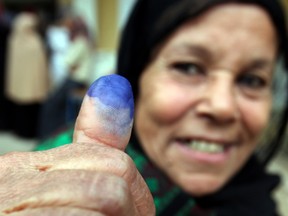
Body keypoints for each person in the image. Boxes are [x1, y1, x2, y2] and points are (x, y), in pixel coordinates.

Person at [1, 0, 288, 215]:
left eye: (252, 80)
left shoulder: (255, 194)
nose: (223, 107)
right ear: (137, 74)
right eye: (188, 67)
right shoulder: (50, 177)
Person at [5, 12, 49, 138]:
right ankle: (26, 132)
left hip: (21, 84)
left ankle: (24, 132)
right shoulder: (33, 41)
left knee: (25, 109)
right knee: (26, 110)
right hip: (30, 84)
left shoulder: (14, 40)